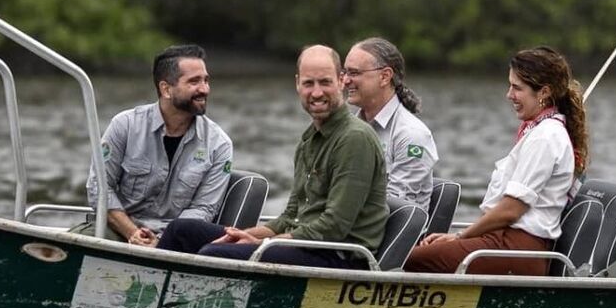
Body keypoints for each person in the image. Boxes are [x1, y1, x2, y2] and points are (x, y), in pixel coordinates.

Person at [158, 44, 388, 268]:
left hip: (337, 257)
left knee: (215, 254)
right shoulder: (310, 139)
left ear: (341, 81)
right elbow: (290, 216)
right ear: (298, 84)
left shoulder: (355, 139)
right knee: (181, 231)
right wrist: (243, 236)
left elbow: (334, 227)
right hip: (303, 243)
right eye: (309, 83)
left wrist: (262, 243)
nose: (317, 92)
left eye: (325, 82)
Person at [405, 46, 589, 276]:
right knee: (416, 251)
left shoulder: (546, 136)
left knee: (405, 258)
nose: (509, 94)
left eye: (517, 88)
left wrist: (461, 236)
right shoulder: (538, 131)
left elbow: (510, 210)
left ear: (543, 92)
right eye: (510, 85)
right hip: (500, 240)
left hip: (516, 249)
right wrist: (459, 238)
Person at [78, 44, 233, 244]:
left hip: (175, 242)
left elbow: (204, 209)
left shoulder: (219, 144)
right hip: (117, 230)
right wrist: (131, 232)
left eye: (206, 80)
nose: (204, 89)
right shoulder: (124, 125)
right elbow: (99, 187)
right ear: (166, 89)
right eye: (194, 81)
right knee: (65, 245)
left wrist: (162, 241)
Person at [342, 37, 438, 212]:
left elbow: (395, 207)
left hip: (385, 236)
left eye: (354, 73)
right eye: (345, 72)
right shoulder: (347, 129)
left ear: (385, 76)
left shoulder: (411, 135)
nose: (345, 81)